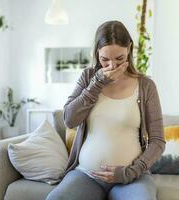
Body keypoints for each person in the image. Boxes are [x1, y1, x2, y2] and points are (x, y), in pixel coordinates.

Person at [46, 20, 165, 200]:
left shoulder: (146, 86)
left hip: (131, 179)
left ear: (129, 49)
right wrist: (98, 83)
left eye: (119, 58)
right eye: (105, 60)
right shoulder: (88, 77)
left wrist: (130, 172)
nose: (112, 66)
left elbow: (157, 141)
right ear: (97, 54)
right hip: (86, 175)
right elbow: (70, 120)